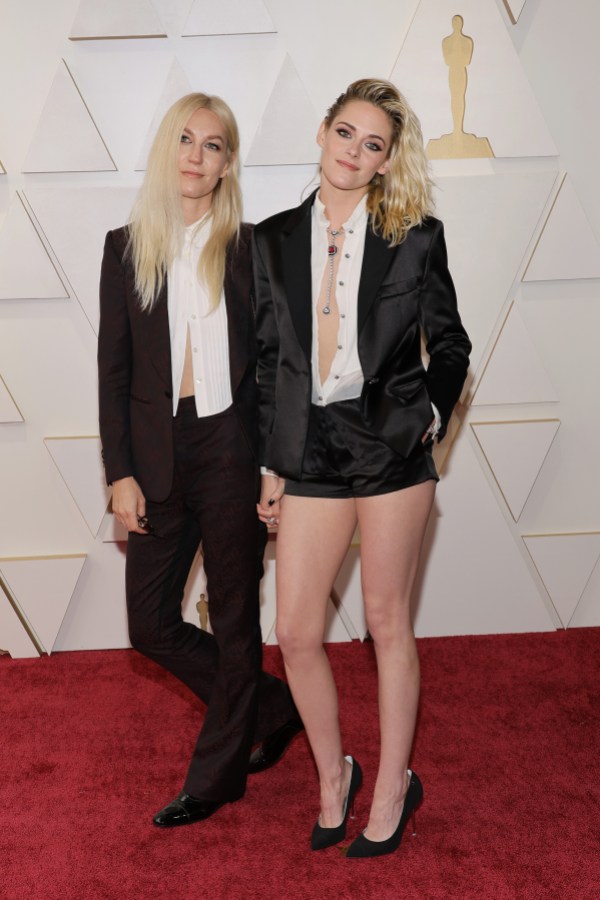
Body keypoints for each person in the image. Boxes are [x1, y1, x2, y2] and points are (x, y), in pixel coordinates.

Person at [253, 78, 471, 858]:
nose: (353, 152)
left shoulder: (416, 235)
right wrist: (274, 467)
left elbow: (450, 345)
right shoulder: (270, 238)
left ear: (385, 162)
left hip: (390, 447)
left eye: (371, 144)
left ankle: (392, 786)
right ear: (322, 133)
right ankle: (331, 777)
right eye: (345, 133)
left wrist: (430, 420)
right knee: (296, 629)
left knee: (386, 624)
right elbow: (271, 361)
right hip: (308, 447)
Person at [98, 92, 301, 830]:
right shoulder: (126, 248)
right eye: (185, 138)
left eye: (213, 145)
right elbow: (113, 371)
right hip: (154, 456)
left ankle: (215, 778)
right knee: (149, 624)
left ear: (227, 164)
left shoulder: (252, 249)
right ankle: (269, 704)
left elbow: (277, 365)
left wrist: (276, 467)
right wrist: (118, 471)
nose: (196, 154)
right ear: (167, 148)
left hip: (232, 450)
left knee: (238, 614)